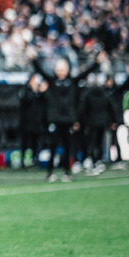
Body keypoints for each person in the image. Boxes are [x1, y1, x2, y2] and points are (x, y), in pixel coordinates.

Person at [34, 50, 105, 182]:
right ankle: (50, 172)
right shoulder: (52, 82)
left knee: (67, 147)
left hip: (68, 120)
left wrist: (97, 62)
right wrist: (33, 59)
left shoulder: (73, 82)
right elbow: (40, 71)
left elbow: (86, 73)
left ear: (67, 70)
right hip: (55, 119)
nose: (60, 71)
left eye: (63, 69)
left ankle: (67, 172)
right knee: (53, 146)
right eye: (59, 69)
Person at [78, 75, 117, 176]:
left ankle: (92, 160)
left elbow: (82, 110)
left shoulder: (87, 95)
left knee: (92, 143)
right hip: (102, 122)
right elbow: (111, 108)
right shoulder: (104, 94)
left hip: (91, 123)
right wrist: (113, 121)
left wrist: (81, 120)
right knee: (99, 143)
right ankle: (98, 160)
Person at [18, 74, 47, 169]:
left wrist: (41, 91)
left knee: (36, 142)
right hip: (26, 122)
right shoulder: (25, 91)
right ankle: (22, 160)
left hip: (37, 122)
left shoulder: (40, 94)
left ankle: (35, 159)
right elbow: (25, 101)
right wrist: (34, 91)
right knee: (25, 142)